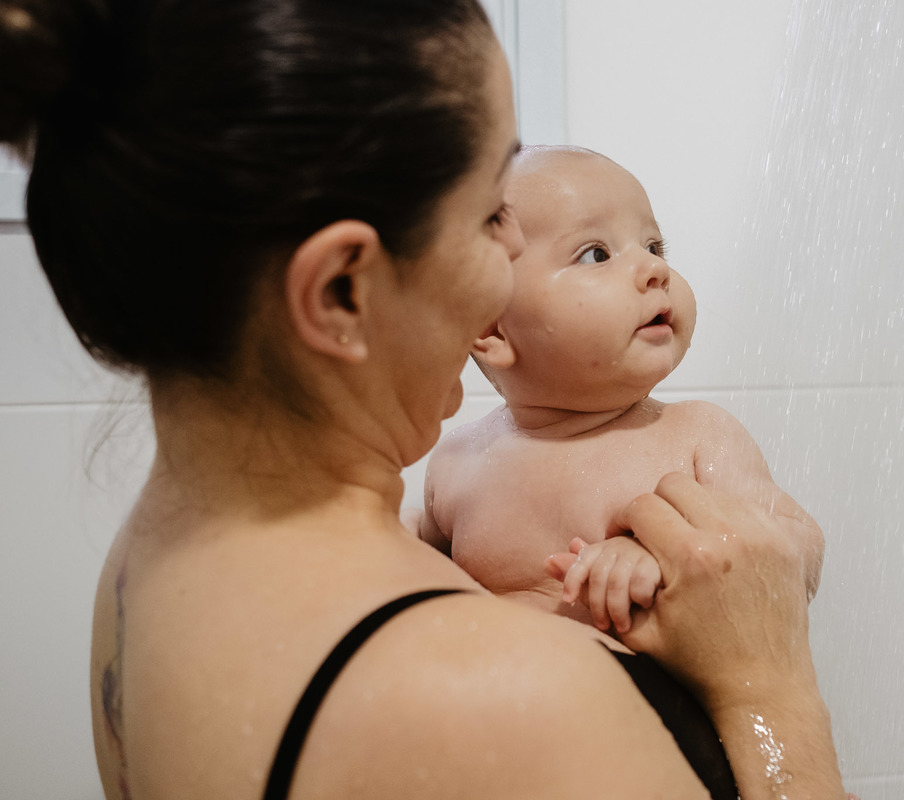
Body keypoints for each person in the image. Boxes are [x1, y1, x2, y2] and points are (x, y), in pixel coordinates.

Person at [1, 1, 848, 798]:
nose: (512, 248)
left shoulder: (151, 563)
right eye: (489, 213)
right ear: (340, 291)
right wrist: (768, 691)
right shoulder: (507, 700)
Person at [415, 145, 822, 636]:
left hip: (650, 707)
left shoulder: (697, 437)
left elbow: (799, 546)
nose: (656, 270)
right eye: (597, 254)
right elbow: (418, 573)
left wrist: (666, 557)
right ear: (492, 328)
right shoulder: (459, 463)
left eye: (654, 247)